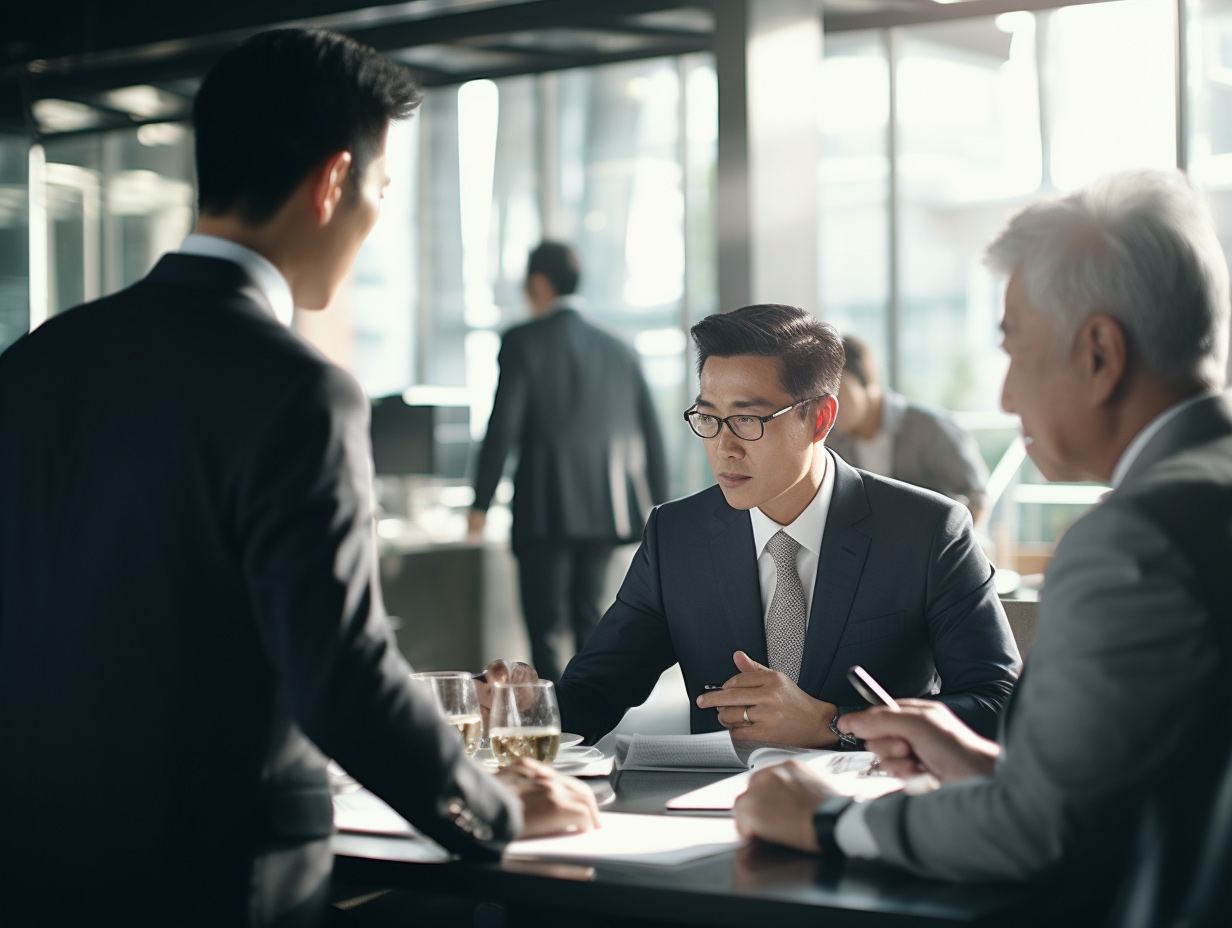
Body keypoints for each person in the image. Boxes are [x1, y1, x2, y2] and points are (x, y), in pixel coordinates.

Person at [0, 29, 596, 928]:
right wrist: (492, 808)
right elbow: (341, 676)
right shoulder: (297, 389)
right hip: (212, 876)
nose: (376, 214)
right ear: (331, 183)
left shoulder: (37, 360)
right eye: (382, 189)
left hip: (33, 860)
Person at [733, 170, 1232, 926]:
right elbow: (1158, 783)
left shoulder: (1135, 540)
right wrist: (985, 767)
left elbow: (1043, 836)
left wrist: (828, 819)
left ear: (1099, 353)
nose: (1004, 397)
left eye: (1016, 349)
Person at [503, 303, 1020, 747]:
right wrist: (526, 707)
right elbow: (594, 694)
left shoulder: (928, 532)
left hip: (872, 818)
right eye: (708, 418)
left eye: (747, 420)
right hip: (710, 821)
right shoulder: (675, 536)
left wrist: (833, 723)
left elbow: (998, 706)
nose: (723, 446)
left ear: (819, 419)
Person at [468, 241, 668, 681]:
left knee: (545, 630)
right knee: (592, 623)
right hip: (605, 507)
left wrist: (480, 502)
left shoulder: (523, 341)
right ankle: (588, 724)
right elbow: (653, 433)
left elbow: (503, 426)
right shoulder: (619, 347)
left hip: (543, 508)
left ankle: (552, 725)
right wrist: (663, 506)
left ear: (538, 283)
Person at [827, 335, 989, 524]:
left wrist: (954, 545)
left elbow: (978, 495)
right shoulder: (832, 441)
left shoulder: (928, 427)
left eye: (839, 393)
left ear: (868, 382)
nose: (832, 405)